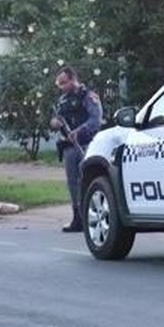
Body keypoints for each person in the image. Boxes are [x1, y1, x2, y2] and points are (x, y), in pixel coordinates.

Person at [49, 66, 103, 233]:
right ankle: (77, 218)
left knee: (87, 181)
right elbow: (56, 120)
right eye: (60, 84)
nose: (62, 87)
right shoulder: (63, 100)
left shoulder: (88, 97)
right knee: (73, 184)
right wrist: (54, 124)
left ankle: (91, 216)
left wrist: (79, 131)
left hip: (86, 146)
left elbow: (96, 120)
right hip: (69, 148)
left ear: (73, 79)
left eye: (64, 83)